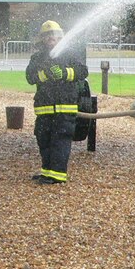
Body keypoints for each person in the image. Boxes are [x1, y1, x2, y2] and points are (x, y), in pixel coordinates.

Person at [25, 20, 88, 184]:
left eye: (54, 34)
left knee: (60, 140)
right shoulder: (37, 57)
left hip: (64, 106)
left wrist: (65, 73)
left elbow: (83, 71)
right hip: (44, 108)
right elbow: (30, 77)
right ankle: (47, 171)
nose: (51, 37)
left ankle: (58, 174)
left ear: (61, 37)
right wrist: (45, 75)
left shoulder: (70, 54)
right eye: (47, 35)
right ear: (42, 38)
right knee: (43, 139)